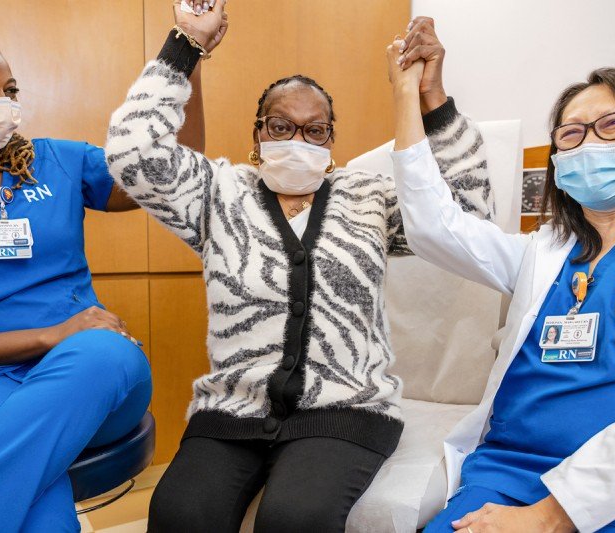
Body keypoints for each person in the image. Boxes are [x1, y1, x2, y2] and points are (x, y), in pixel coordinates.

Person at [105, 3, 493, 532]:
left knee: (294, 518)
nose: (297, 139)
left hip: (346, 409)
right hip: (232, 412)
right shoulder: (219, 194)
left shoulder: (369, 197)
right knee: (178, 515)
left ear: (331, 141)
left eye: (315, 131)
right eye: (281, 125)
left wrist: (430, 96)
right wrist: (185, 44)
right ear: (258, 132)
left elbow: (468, 216)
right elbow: (133, 154)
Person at [0, 15, 212, 532]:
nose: (0, 100)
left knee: (105, 348)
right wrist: (51, 335)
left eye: (8, 89)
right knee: (45, 521)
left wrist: (188, 52)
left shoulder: (56, 163)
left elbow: (175, 176)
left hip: (91, 372)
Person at [388, 16, 615, 533]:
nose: (589, 144)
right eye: (571, 134)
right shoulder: (542, 252)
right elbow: (433, 226)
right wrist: (412, 93)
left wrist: (550, 518)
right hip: (508, 474)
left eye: (613, 125)